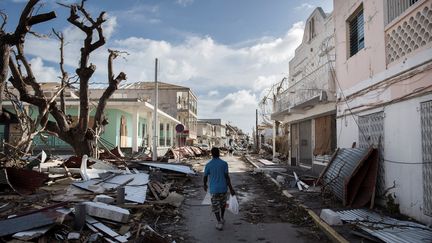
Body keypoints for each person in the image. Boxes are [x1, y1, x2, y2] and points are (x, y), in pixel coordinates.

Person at [203, 147, 235, 231]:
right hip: (223, 188)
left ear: (212, 154)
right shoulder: (224, 164)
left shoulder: (208, 165)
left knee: (215, 206)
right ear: (219, 153)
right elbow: (227, 177)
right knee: (223, 204)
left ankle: (219, 222)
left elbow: (205, 176)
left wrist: (205, 185)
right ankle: (222, 218)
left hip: (214, 190)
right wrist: (231, 188)